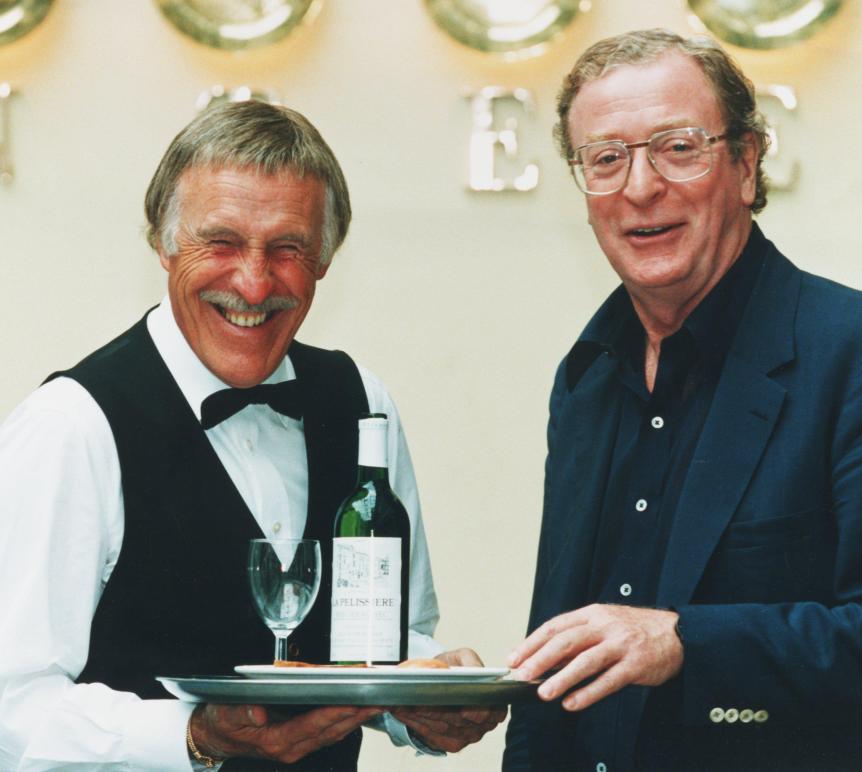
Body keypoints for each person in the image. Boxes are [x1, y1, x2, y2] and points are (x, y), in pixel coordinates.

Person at [503, 28, 862, 772]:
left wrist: (686, 643)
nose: (642, 187)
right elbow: (562, 655)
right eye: (607, 159)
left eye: (679, 147)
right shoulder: (586, 375)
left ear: (746, 164)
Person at [0, 100, 503, 770]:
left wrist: (430, 691)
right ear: (163, 243)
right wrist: (191, 736)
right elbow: (14, 707)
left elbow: (386, 636)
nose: (254, 281)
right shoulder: (72, 426)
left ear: (325, 261)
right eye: (222, 242)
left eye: (288, 248)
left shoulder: (363, 406)